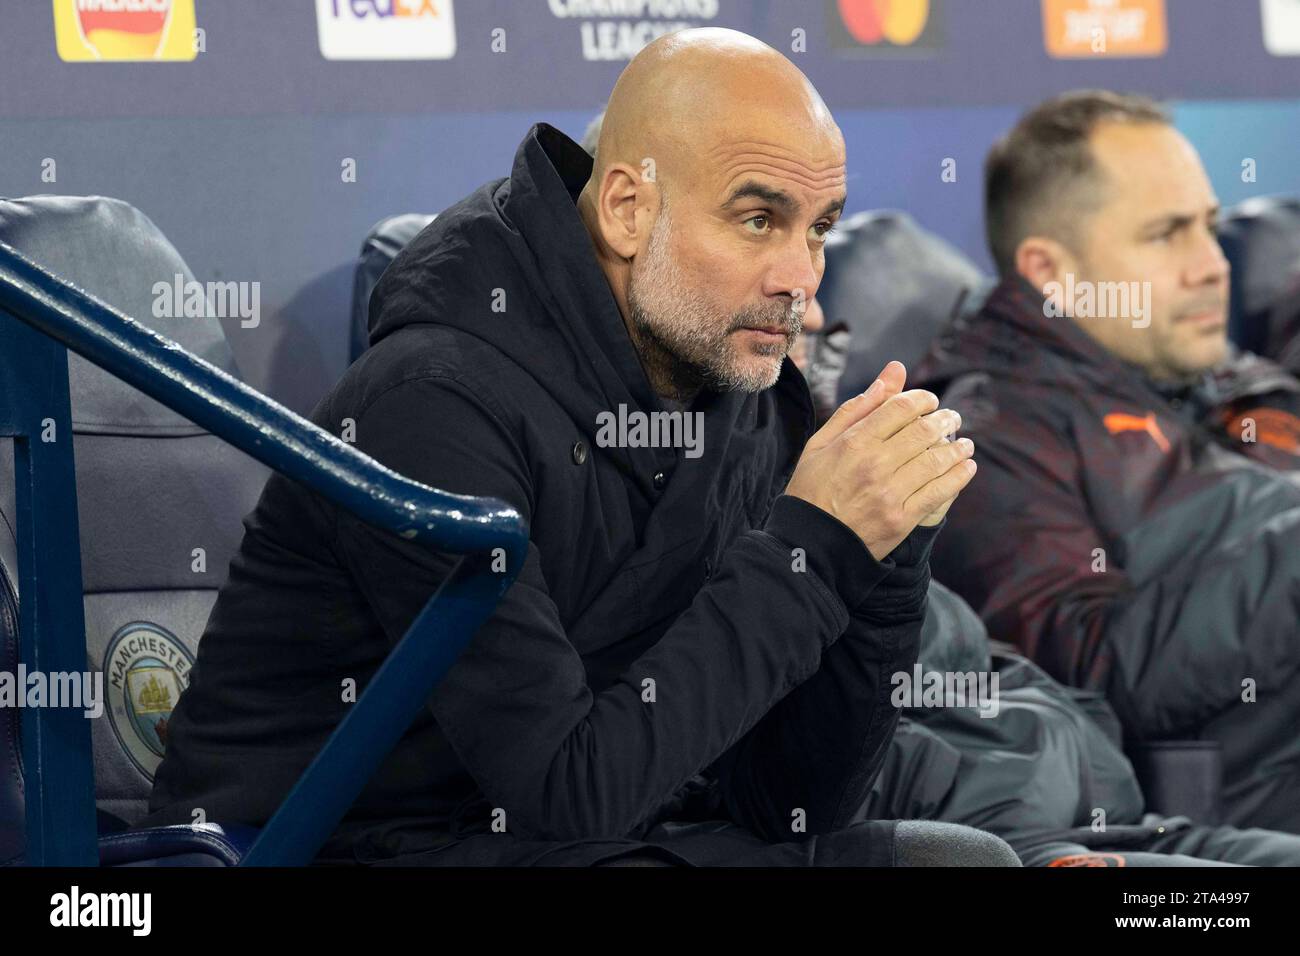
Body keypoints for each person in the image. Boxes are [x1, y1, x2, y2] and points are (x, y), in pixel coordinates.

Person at [146, 28, 1013, 866]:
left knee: (958, 863)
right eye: (758, 220)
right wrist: (813, 552)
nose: (800, 276)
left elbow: (786, 805)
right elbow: (563, 795)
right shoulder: (433, 401)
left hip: (584, 839)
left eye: (819, 228)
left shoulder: (743, 402)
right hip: (336, 845)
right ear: (630, 210)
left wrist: (885, 553)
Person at [915, 90, 1300, 833]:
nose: (1211, 266)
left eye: (1210, 229)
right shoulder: (983, 439)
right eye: (1166, 235)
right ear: (1051, 273)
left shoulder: (1228, 376)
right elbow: (1086, 682)